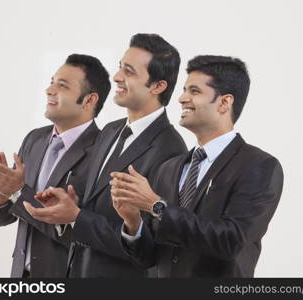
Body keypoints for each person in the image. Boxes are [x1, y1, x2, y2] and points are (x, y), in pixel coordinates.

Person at [23, 33, 187, 278]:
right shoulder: (110, 131)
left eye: (129, 71)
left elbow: (151, 250)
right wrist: (70, 207)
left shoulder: (171, 149)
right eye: (120, 67)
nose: (117, 77)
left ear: (158, 86)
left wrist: (78, 218)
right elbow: (92, 213)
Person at [110, 55, 284, 277]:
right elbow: (151, 259)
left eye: (194, 91)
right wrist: (133, 222)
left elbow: (231, 241)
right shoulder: (169, 169)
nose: (181, 98)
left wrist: (156, 206)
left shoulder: (258, 166)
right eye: (184, 90)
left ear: (224, 102)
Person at [0, 54, 111, 277]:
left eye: (62, 85)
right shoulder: (34, 140)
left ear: (89, 100)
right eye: (51, 82)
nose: (49, 90)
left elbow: (87, 232)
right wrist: (1, 198)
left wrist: (17, 192)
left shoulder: (103, 151)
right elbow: (8, 215)